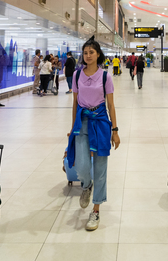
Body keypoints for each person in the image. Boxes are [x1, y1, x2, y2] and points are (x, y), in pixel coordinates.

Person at [67, 36, 120, 231]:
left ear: (98, 54)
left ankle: (96, 210)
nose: (88, 55)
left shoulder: (105, 76)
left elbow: (111, 105)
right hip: (82, 122)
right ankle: (86, 185)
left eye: (92, 52)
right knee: (81, 166)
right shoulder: (76, 75)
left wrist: (115, 130)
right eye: (85, 52)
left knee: (100, 168)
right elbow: (74, 102)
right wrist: (72, 127)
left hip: (101, 123)